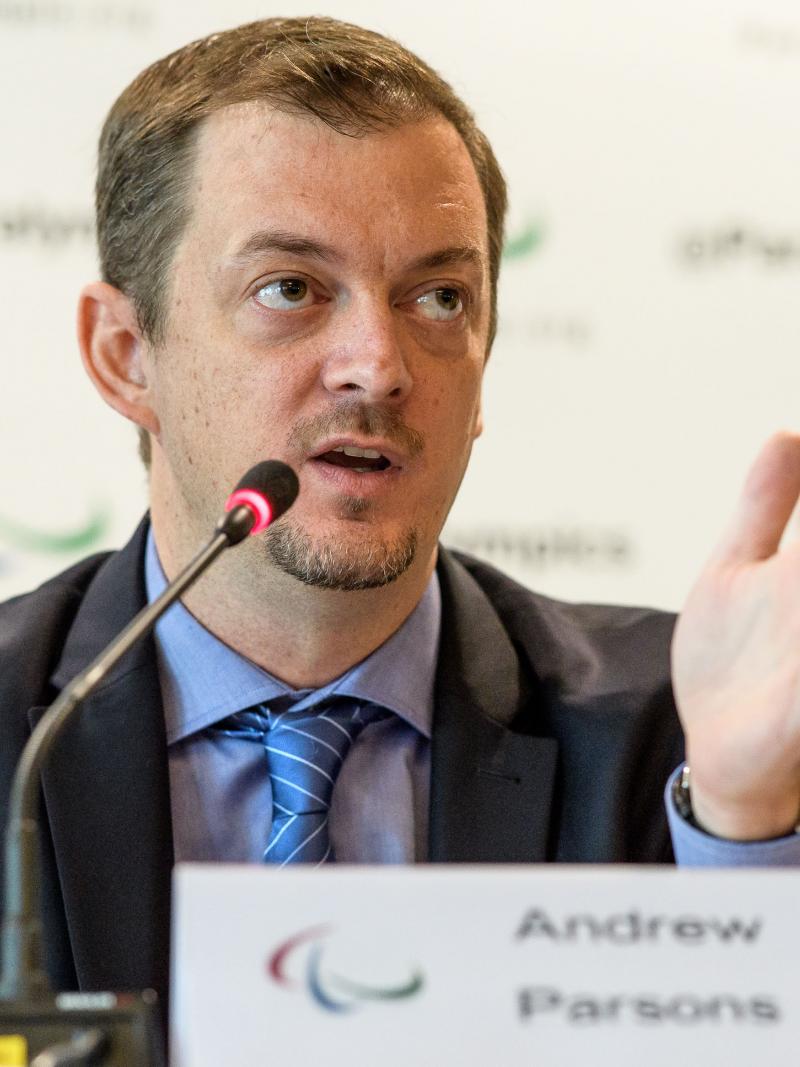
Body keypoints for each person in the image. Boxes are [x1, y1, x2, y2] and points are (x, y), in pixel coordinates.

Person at [1, 16, 800, 1011]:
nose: (377, 365)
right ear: (125, 354)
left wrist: (746, 829)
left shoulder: (682, 734)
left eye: (437, 298)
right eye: (289, 288)